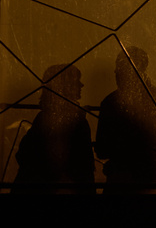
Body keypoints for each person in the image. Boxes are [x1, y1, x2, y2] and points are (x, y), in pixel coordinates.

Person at [94, 47, 156, 192]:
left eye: (120, 68)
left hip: (119, 185)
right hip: (151, 184)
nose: (116, 73)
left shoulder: (110, 103)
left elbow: (101, 150)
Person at [12, 64, 95, 193]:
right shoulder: (75, 120)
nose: (81, 85)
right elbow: (82, 164)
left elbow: (26, 155)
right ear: (66, 86)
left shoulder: (44, 118)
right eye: (76, 81)